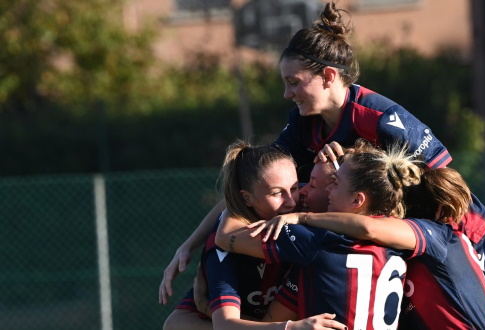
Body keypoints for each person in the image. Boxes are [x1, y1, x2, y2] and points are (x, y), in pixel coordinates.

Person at [158, 1, 453, 306]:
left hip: (450, 239)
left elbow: (446, 188)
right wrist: (190, 246)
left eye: (293, 82)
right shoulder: (303, 125)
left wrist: (460, 250)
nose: (287, 93)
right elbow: (251, 186)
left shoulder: (379, 119)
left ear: (327, 76)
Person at [250, 145, 485, 329]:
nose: (327, 189)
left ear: (359, 199)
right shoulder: (393, 250)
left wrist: (301, 218)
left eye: (334, 183)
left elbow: (367, 227)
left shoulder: (438, 235)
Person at [206, 139, 427, 328]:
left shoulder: (313, 238)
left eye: (335, 183)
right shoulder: (399, 236)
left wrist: (233, 201)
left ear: (357, 200)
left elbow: (225, 237)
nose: (300, 193)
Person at [162, 140, 346, 330]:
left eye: (294, 188)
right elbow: (222, 325)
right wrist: (291, 328)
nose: (291, 202)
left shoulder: (304, 202)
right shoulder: (225, 250)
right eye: (277, 193)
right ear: (247, 198)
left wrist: (347, 158)